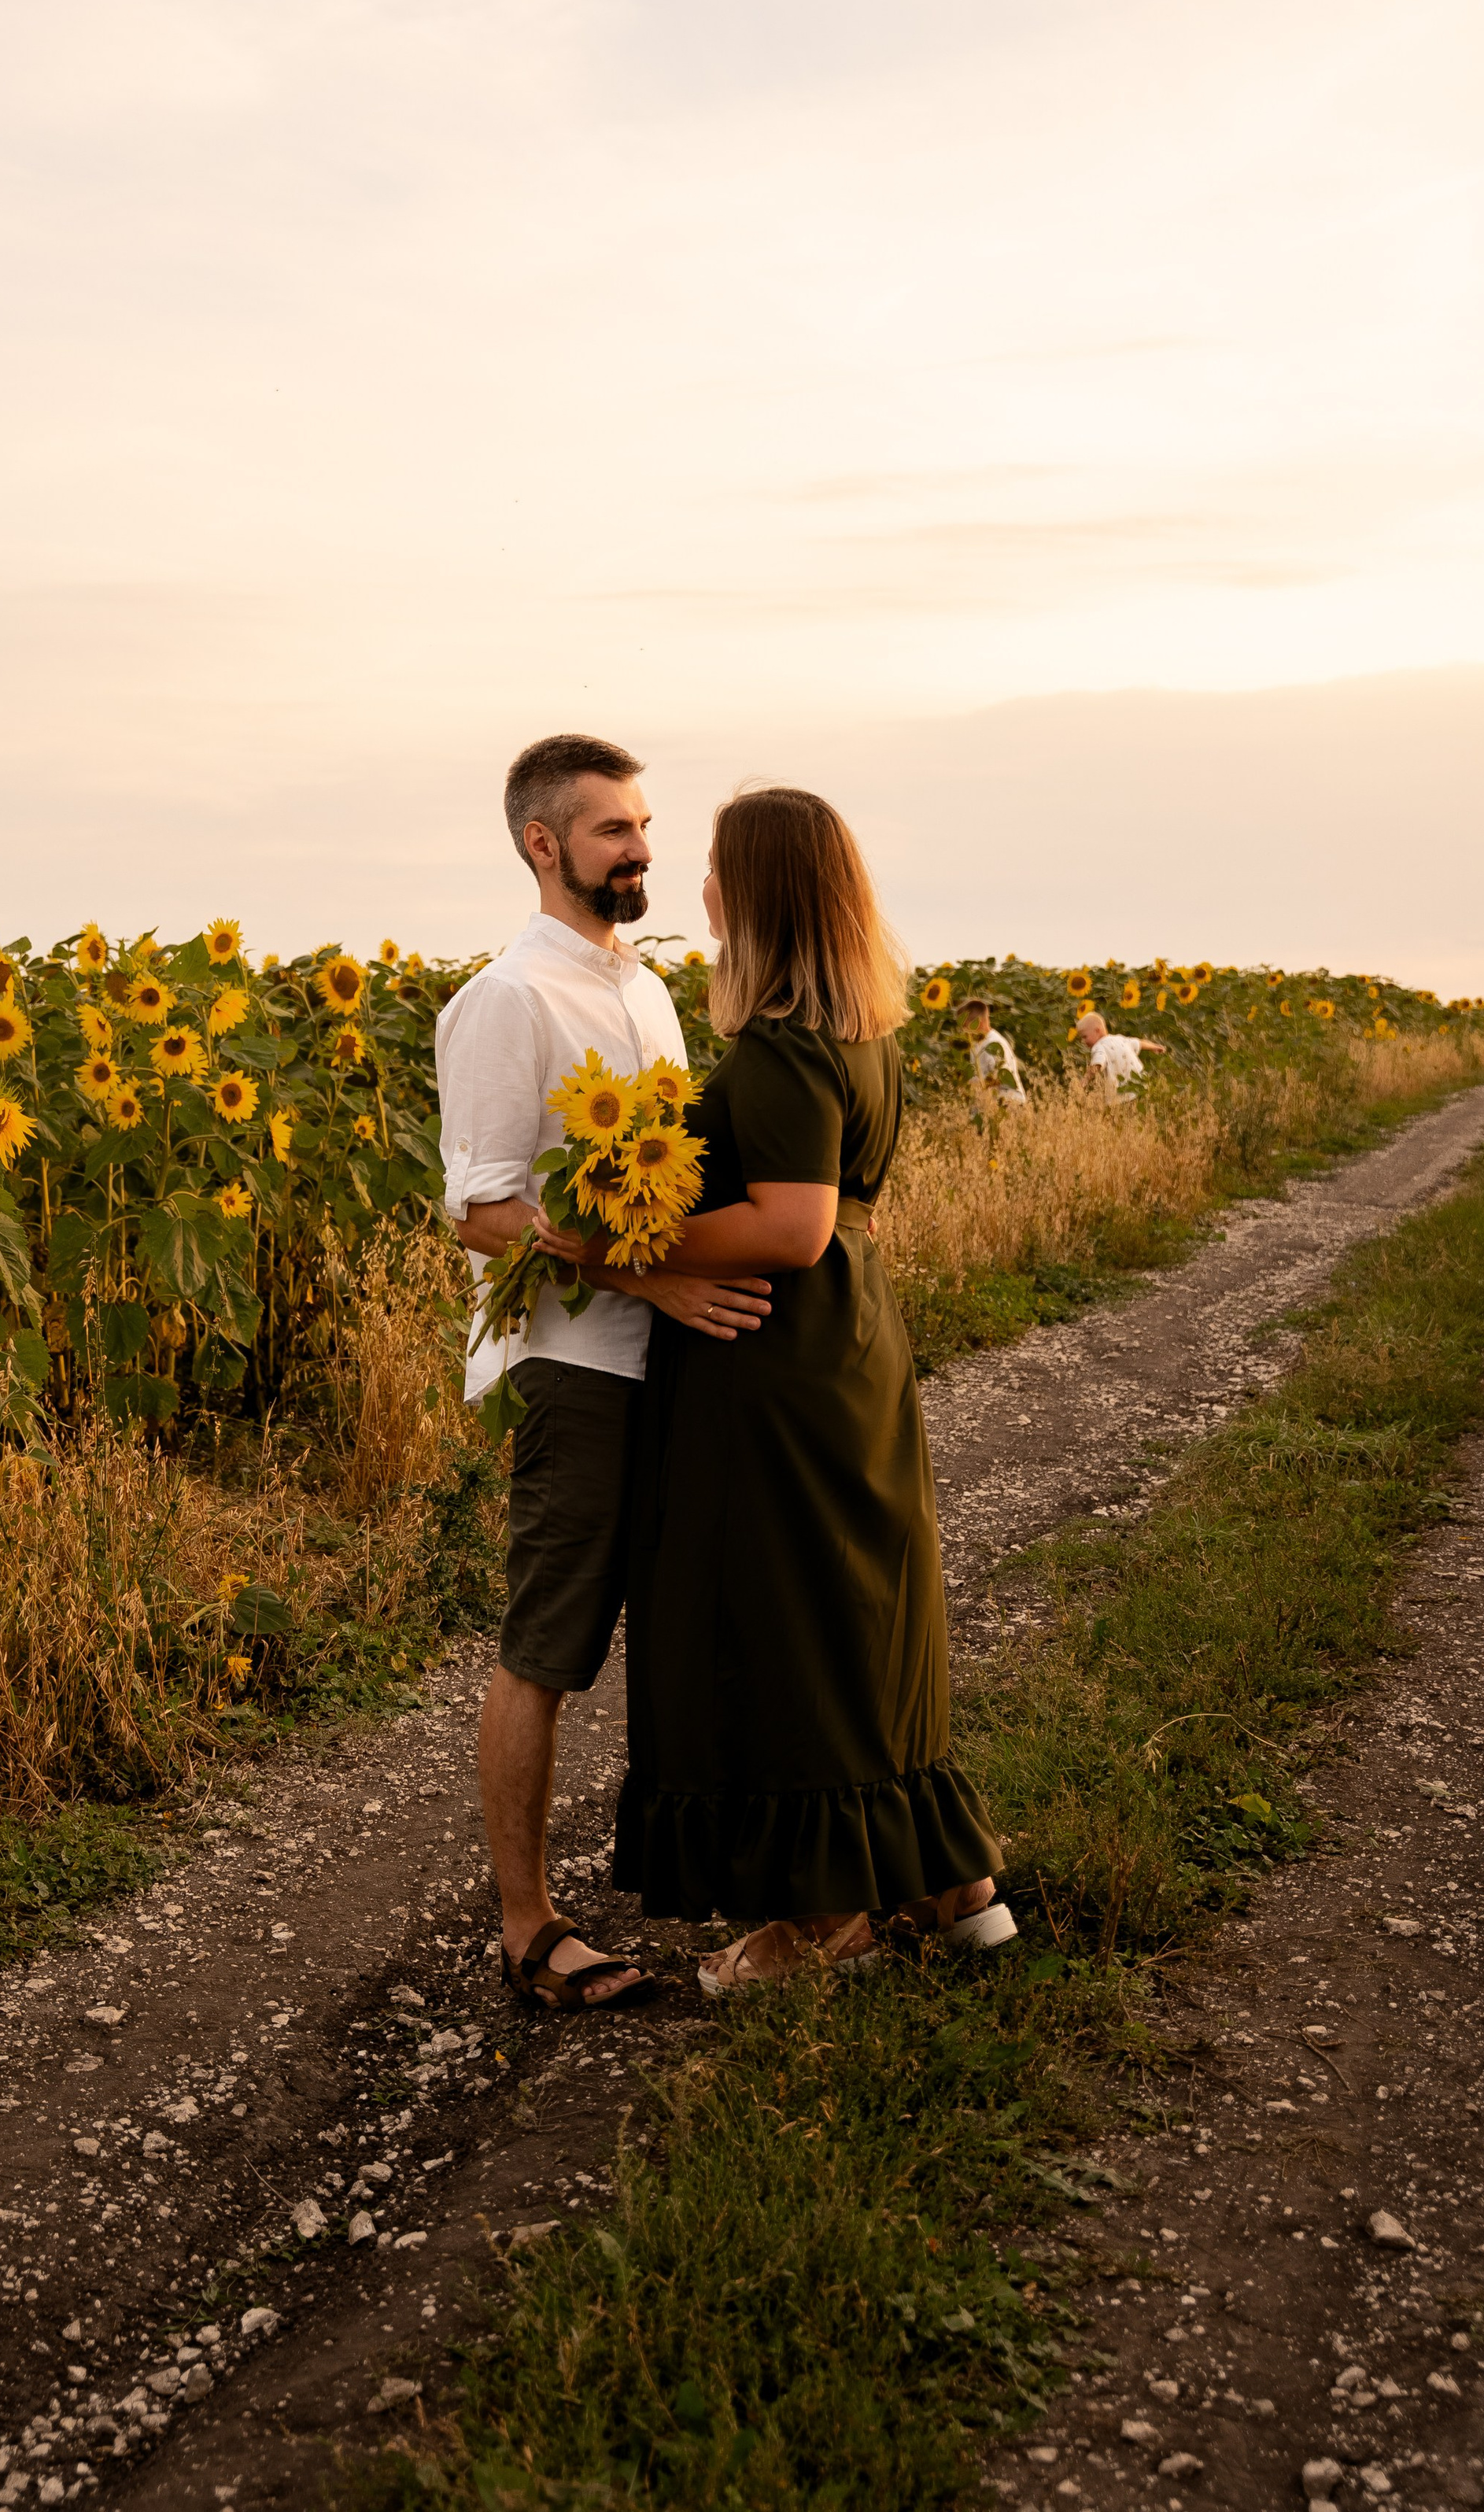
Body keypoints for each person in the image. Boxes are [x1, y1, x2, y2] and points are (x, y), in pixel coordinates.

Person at [590, 785, 1012, 1990]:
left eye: (718, 866)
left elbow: (789, 1227)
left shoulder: (777, 1045)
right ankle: (952, 1884)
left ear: (759, 893)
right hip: (843, 1349)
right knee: (850, 1609)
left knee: (772, 1623)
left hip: (771, 1359)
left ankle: (820, 1925)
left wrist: (623, 1250)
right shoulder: (861, 1031)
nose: (701, 884)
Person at [435, 733, 774, 2015]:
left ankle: (749, 1875)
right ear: (543, 844)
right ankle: (525, 1928)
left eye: (642, 826)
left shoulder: (644, 990)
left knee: (698, 1628)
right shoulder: (508, 1001)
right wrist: (657, 1284)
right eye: (613, 832)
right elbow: (480, 1211)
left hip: (669, 1362)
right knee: (551, 1644)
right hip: (573, 1365)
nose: (641, 849)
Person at [1073, 1009, 1168, 1099]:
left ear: (1097, 1031)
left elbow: (1097, 1064)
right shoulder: (1120, 1039)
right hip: (1140, 1086)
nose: (1083, 1041)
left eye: (1085, 1037)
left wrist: (1085, 1081)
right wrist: (1154, 1046)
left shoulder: (1099, 1047)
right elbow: (1139, 1043)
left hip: (1121, 1094)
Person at [957, 993, 1027, 1108]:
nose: (963, 1031)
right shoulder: (976, 1044)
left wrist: (973, 1084)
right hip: (993, 1105)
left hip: (1009, 1105)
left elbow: (1000, 1076)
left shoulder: (993, 1044)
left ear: (978, 1023)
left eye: (965, 1026)